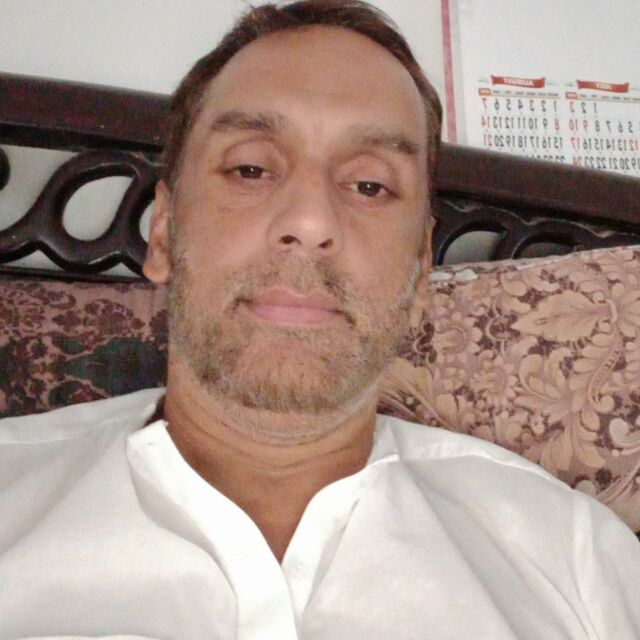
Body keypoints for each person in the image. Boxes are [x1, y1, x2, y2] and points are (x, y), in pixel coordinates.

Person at [1, 1, 639, 638]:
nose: (309, 222)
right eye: (250, 169)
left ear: (420, 267)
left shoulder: (578, 562)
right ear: (164, 232)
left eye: (370, 186)